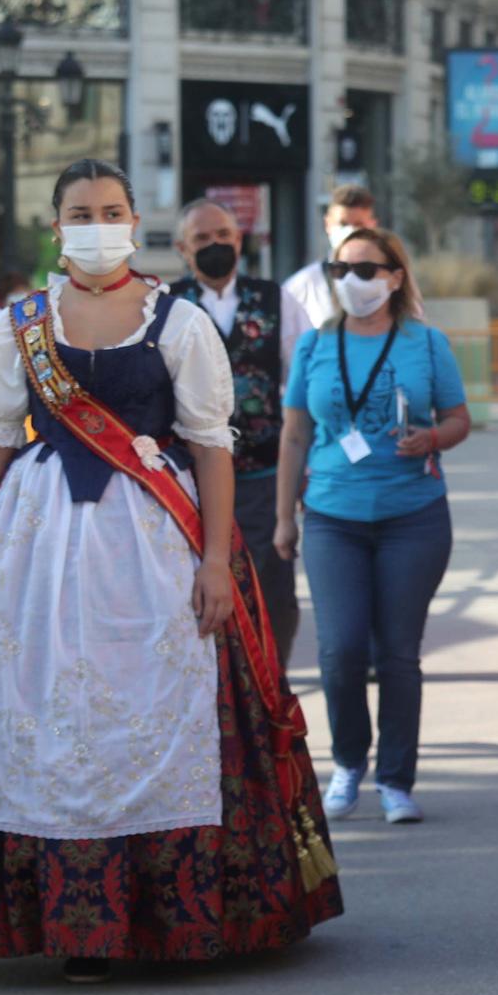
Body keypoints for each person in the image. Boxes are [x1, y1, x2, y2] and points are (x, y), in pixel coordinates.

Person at [0, 158, 341, 984]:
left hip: (151, 540)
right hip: (36, 546)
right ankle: (71, 925)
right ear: (58, 222)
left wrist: (215, 559)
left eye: (110, 209)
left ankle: (167, 917)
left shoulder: (175, 321)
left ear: (135, 222)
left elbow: (213, 445)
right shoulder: (20, 323)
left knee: (150, 707)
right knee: (42, 707)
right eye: (80, 210)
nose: (96, 222)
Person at [276, 227, 470, 825]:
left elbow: (459, 418)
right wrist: (285, 517)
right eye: (341, 270)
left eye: (366, 269)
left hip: (412, 517)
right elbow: (295, 433)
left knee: (397, 654)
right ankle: (348, 765)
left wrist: (433, 438)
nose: (353, 281)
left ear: (394, 275)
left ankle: (395, 780)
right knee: (338, 650)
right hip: (333, 516)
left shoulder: (426, 343)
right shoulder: (314, 346)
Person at [168, 198, 312, 666]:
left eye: (224, 236)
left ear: (239, 240)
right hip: (189, 482)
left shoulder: (275, 299)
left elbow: (304, 378)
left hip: (264, 477)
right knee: (199, 591)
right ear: (182, 249)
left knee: (274, 592)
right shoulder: (165, 307)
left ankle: (273, 689)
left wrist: (307, 459)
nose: (216, 246)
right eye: (202, 239)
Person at [284, 184, 379, 329]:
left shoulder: (387, 281)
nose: (350, 232)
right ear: (328, 224)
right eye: (343, 224)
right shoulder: (301, 286)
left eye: (358, 225)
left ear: (372, 226)